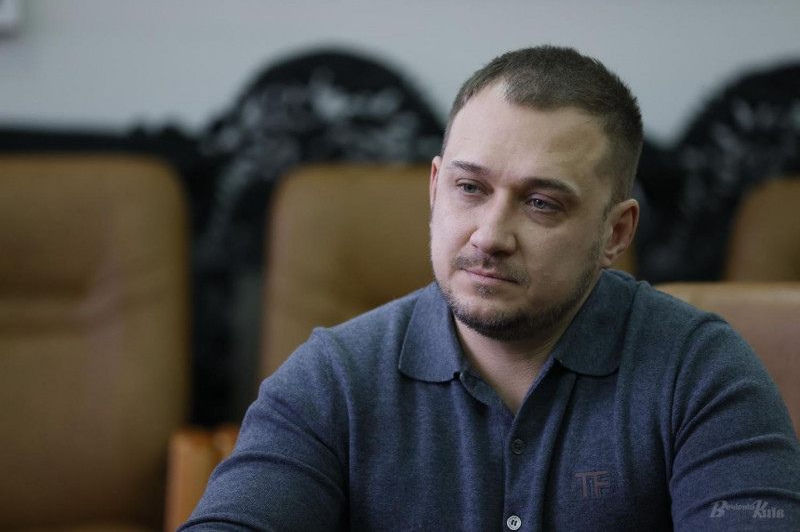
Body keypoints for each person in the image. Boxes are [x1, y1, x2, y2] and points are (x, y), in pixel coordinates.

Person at [180, 46, 800, 531]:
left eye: (541, 202)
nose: (490, 235)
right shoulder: (332, 378)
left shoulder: (702, 371)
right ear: (435, 189)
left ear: (615, 232)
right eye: (470, 188)